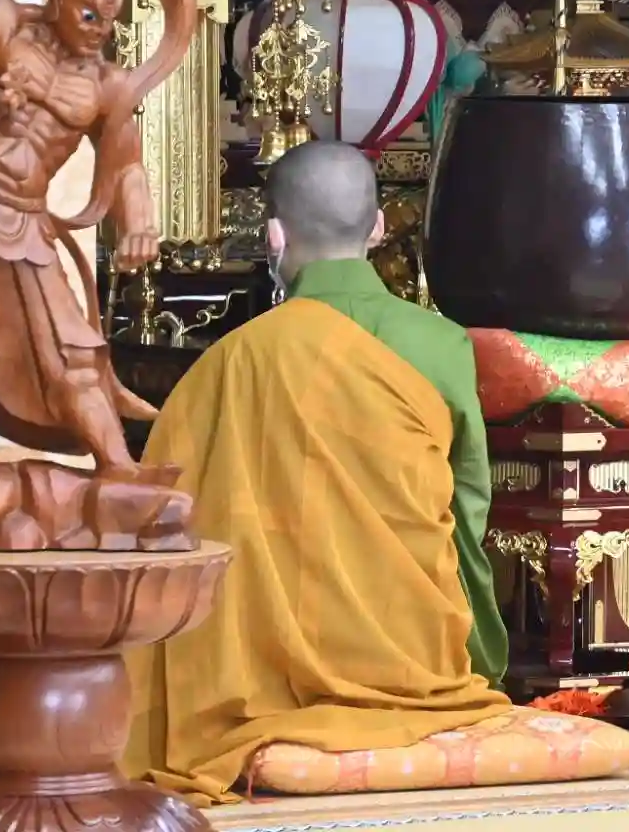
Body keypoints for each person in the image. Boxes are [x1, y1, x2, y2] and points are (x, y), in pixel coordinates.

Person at [125, 140, 511, 803]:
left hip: (255, 671)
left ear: (273, 236)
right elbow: (467, 509)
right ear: (379, 227)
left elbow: (170, 522)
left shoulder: (233, 361)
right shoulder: (441, 344)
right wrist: (474, 652)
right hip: (416, 654)